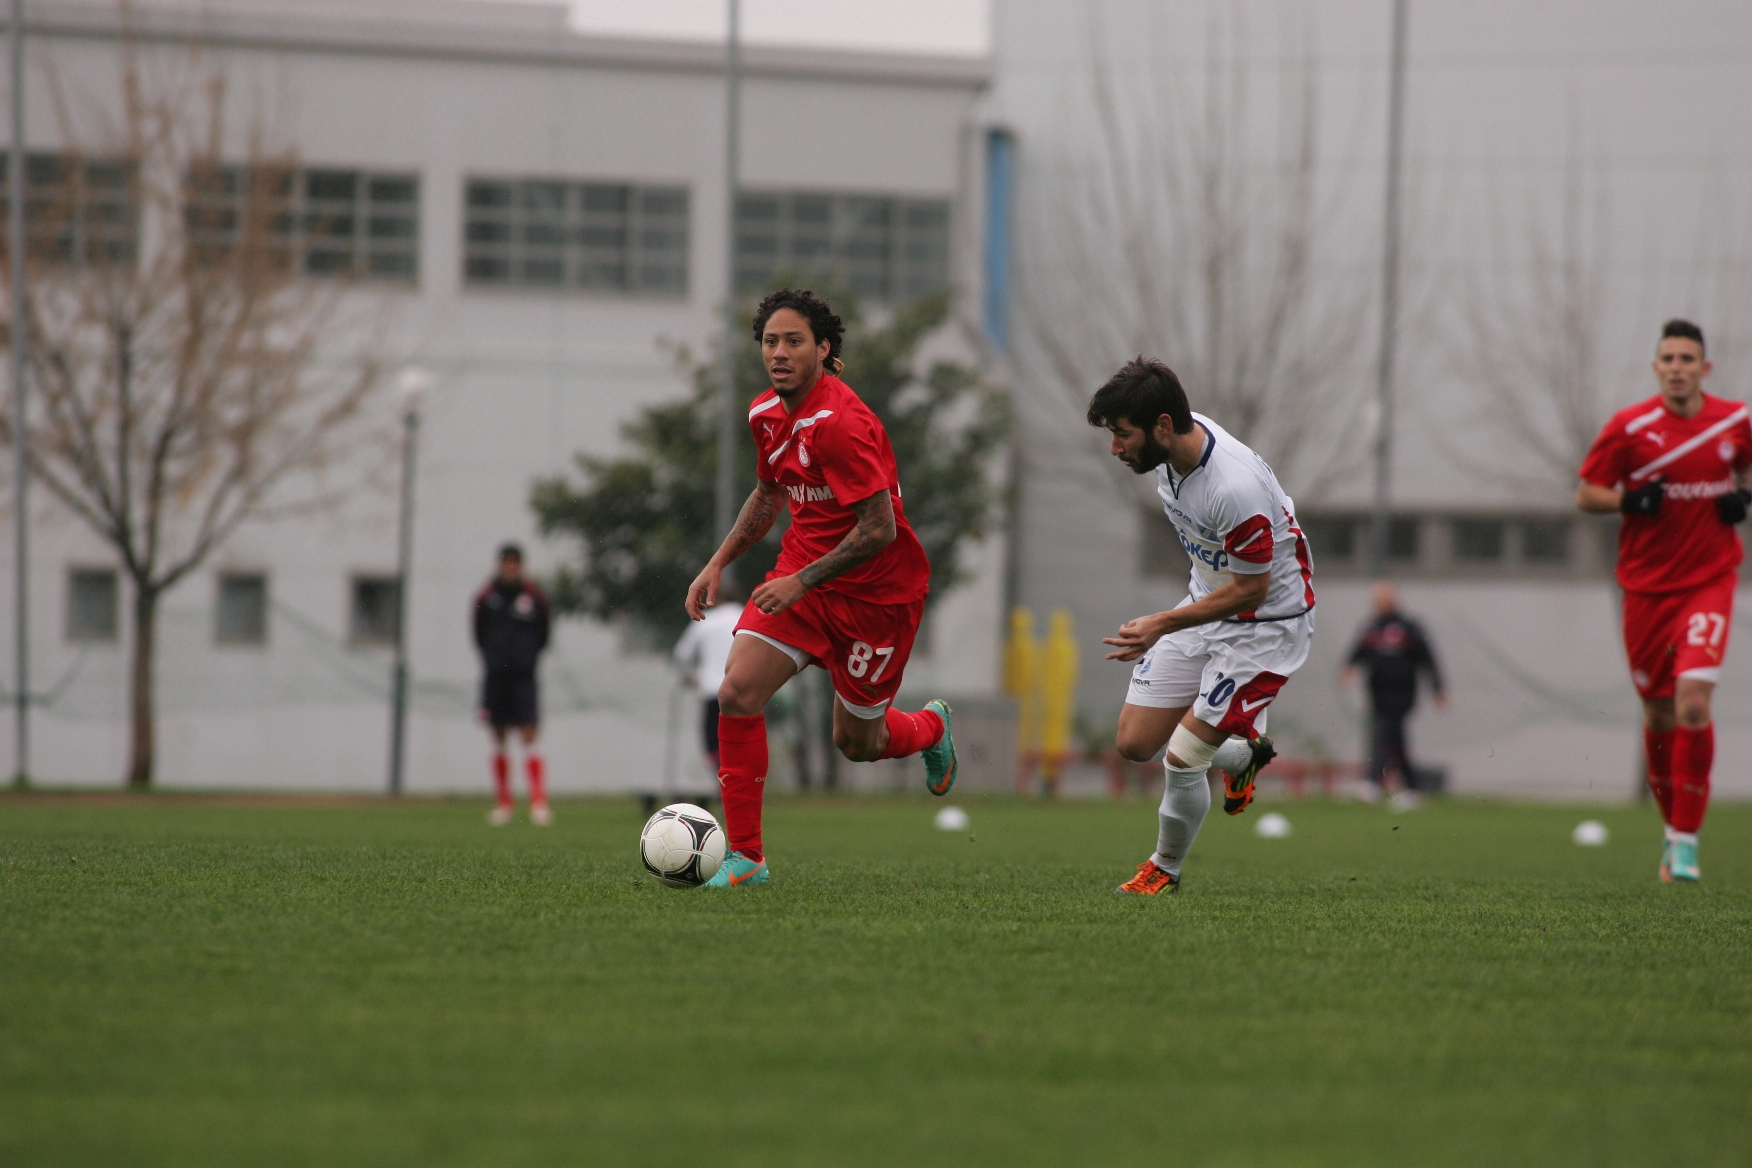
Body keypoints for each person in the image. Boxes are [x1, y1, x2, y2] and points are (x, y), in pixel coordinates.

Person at [684, 288, 957, 887]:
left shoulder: (842, 424)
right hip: (802, 582)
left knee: (858, 744)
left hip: (876, 598)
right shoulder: (765, 415)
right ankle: (747, 859)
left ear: (823, 349)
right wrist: (718, 563)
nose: (778, 353)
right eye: (769, 342)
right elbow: (767, 494)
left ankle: (931, 728)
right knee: (735, 693)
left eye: (793, 341)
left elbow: (880, 529)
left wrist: (799, 581)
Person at [1091, 357, 1314, 896]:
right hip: (1208, 605)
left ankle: (1163, 868)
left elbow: (1252, 589)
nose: (1116, 448)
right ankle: (1243, 751)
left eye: (1123, 435)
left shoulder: (1233, 488)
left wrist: (1161, 624)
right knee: (1134, 742)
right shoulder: (1173, 454)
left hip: (1264, 626)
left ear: (1162, 426)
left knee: (1183, 756)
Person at [1577, 318, 1751, 883]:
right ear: (1656, 369)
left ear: (1705, 368)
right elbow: (1586, 493)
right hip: (1647, 588)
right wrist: (1630, 500)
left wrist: (1743, 494)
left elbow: (1746, 465)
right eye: (1668, 358)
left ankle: (1685, 841)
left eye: (1687, 358)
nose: (1678, 367)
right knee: (1656, 711)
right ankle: (1671, 827)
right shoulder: (1630, 428)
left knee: (1693, 703)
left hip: (1710, 581)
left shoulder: (1735, 421)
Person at [1341, 580, 1447, 806]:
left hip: (1403, 693)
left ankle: (1371, 783)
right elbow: (1357, 651)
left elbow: (1428, 659)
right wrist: (1348, 667)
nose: (1380, 604)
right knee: (1395, 738)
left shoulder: (1410, 627)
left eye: (1384, 599)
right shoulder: (1371, 627)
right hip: (1377, 693)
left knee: (1387, 733)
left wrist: (1438, 689)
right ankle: (1412, 787)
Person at [472, 543, 552, 826]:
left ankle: (538, 802)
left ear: (520, 566)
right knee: (498, 734)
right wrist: (495, 658)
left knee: (529, 734)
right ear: (499, 565)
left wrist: (525, 658)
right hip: (495, 676)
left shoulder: (535, 597)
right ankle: (504, 802)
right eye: (505, 563)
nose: (510, 568)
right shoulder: (486, 596)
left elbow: (544, 635)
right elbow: (478, 633)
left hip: (523, 676)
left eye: (514, 563)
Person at [672, 577, 747, 773]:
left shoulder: (706, 622)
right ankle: (742, 778)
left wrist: (689, 677)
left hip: (712, 690)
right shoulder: (746, 618)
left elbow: (681, 654)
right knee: (742, 740)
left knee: (713, 741)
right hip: (744, 690)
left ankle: (723, 779)